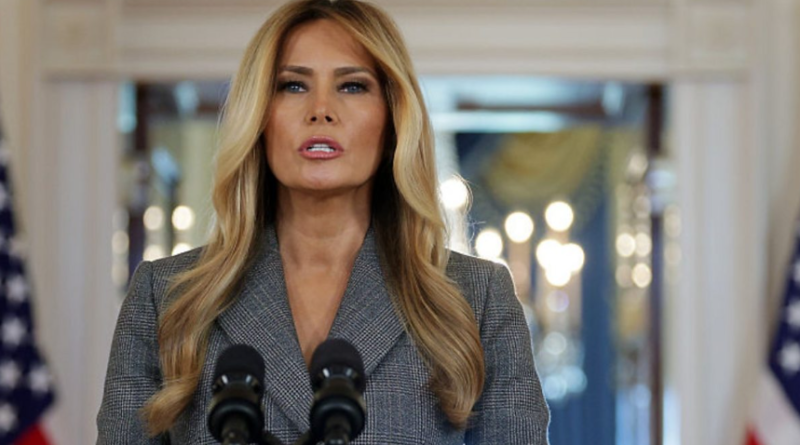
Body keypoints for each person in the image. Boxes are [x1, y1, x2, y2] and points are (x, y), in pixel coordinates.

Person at [96, 0, 550, 443]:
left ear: (393, 119)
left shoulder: (476, 300)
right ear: (259, 117)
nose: (321, 110)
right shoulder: (166, 297)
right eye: (293, 86)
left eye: (352, 86)